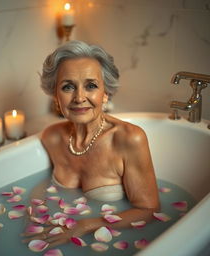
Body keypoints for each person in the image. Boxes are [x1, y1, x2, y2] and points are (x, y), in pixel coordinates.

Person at [22, 40, 160, 247]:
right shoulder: (52, 137)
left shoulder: (128, 139)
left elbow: (148, 210)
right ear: (55, 96)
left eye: (91, 86)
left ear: (105, 93)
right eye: (68, 87)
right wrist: (32, 212)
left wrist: (85, 225)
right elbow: (45, 184)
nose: (79, 97)